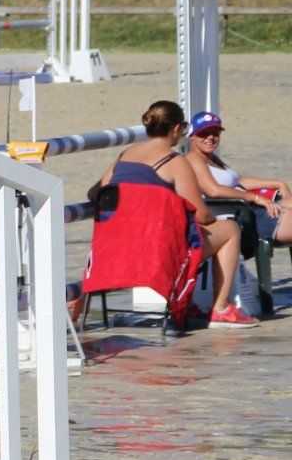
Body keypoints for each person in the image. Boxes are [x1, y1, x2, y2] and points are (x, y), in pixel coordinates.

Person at [96, 101, 249, 327]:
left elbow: (97, 193)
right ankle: (220, 308)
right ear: (177, 129)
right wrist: (213, 218)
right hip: (158, 254)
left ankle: (185, 302)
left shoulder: (124, 155)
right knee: (230, 229)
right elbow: (200, 214)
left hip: (115, 249)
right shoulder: (175, 161)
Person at [182, 110, 292, 318]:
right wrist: (256, 198)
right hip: (244, 216)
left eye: (215, 133)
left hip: (250, 208)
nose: (211, 138)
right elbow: (213, 190)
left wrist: (276, 183)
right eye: (205, 134)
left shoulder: (212, 159)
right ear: (193, 136)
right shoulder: (194, 160)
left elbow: (238, 180)